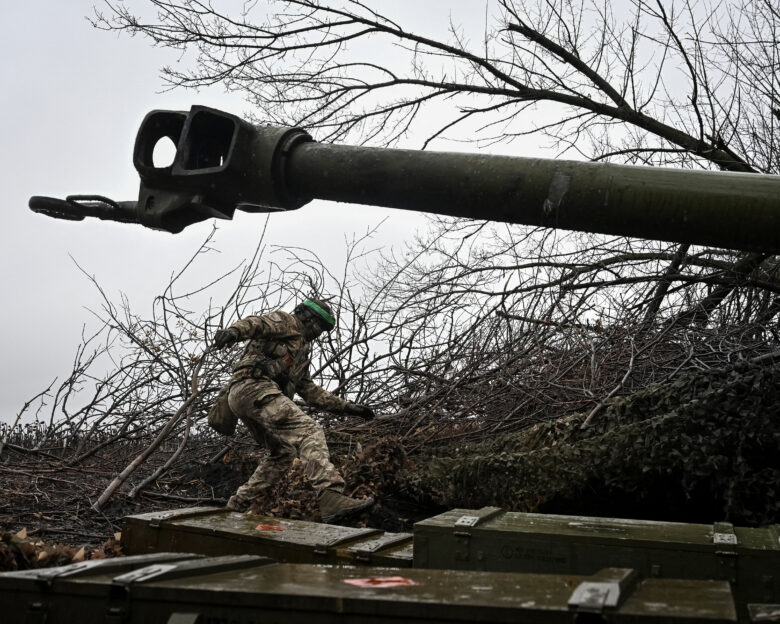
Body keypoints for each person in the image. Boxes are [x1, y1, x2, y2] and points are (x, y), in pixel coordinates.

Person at [213, 297, 375, 523]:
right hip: (254, 387)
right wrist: (232, 332)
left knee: (283, 453)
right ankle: (330, 495)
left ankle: (237, 505)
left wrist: (347, 407)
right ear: (306, 316)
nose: (319, 333)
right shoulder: (286, 321)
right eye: (319, 325)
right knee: (309, 431)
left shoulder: (301, 352)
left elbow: (309, 391)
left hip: (249, 396)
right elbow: (256, 323)